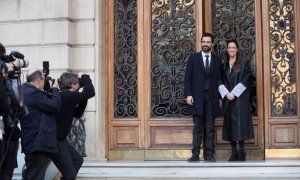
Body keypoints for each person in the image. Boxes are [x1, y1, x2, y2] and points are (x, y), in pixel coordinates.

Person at [184, 32, 222, 162]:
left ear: (212, 44)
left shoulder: (217, 60)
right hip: (197, 99)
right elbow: (187, 79)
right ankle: (195, 155)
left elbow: (219, 80)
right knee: (197, 128)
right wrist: (188, 94)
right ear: (201, 43)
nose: (206, 44)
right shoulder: (193, 58)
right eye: (204, 42)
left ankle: (210, 155)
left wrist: (220, 97)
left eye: (208, 42)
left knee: (210, 128)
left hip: (212, 99)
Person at [50, 72, 95, 179]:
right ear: (72, 84)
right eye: (78, 83)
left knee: (77, 160)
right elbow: (91, 92)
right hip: (54, 140)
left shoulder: (66, 96)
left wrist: (82, 94)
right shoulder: (67, 96)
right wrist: (85, 76)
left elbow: (77, 113)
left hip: (60, 139)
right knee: (70, 175)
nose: (79, 84)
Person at [20, 69, 61, 180]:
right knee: (35, 176)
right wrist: (55, 89)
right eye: (44, 79)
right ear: (38, 80)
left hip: (34, 141)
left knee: (34, 175)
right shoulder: (32, 93)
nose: (45, 81)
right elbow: (54, 106)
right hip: (37, 141)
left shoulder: (25, 90)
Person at [218, 39, 254, 161]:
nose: (231, 49)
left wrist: (234, 93)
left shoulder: (244, 63)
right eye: (229, 47)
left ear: (237, 49)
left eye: (233, 47)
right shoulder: (223, 65)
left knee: (240, 124)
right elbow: (219, 80)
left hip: (240, 99)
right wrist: (226, 93)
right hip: (228, 99)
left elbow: (246, 79)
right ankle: (233, 152)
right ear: (227, 50)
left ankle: (242, 151)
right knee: (230, 125)